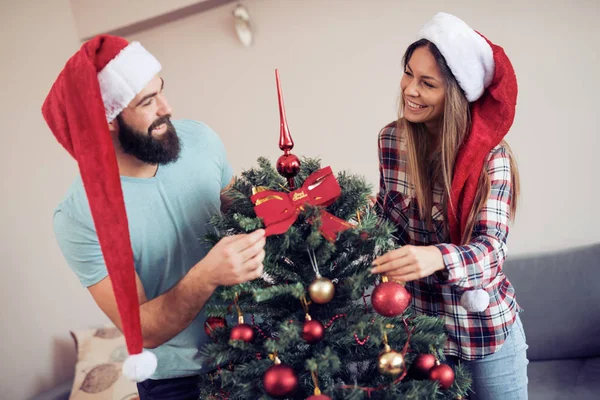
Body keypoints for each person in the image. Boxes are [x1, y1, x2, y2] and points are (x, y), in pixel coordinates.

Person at [42, 35, 266, 399]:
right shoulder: (79, 215)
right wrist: (206, 276)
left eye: (161, 91)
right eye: (148, 101)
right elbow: (142, 328)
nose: (167, 107)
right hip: (178, 381)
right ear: (109, 119)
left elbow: (243, 211)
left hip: (261, 344)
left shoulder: (201, 140)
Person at [371, 12, 528, 399]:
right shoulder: (392, 141)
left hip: (484, 333)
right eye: (408, 74)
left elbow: (492, 251)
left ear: (455, 93)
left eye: (427, 83)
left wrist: (436, 257)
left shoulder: (492, 159)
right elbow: (385, 226)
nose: (410, 89)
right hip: (420, 336)